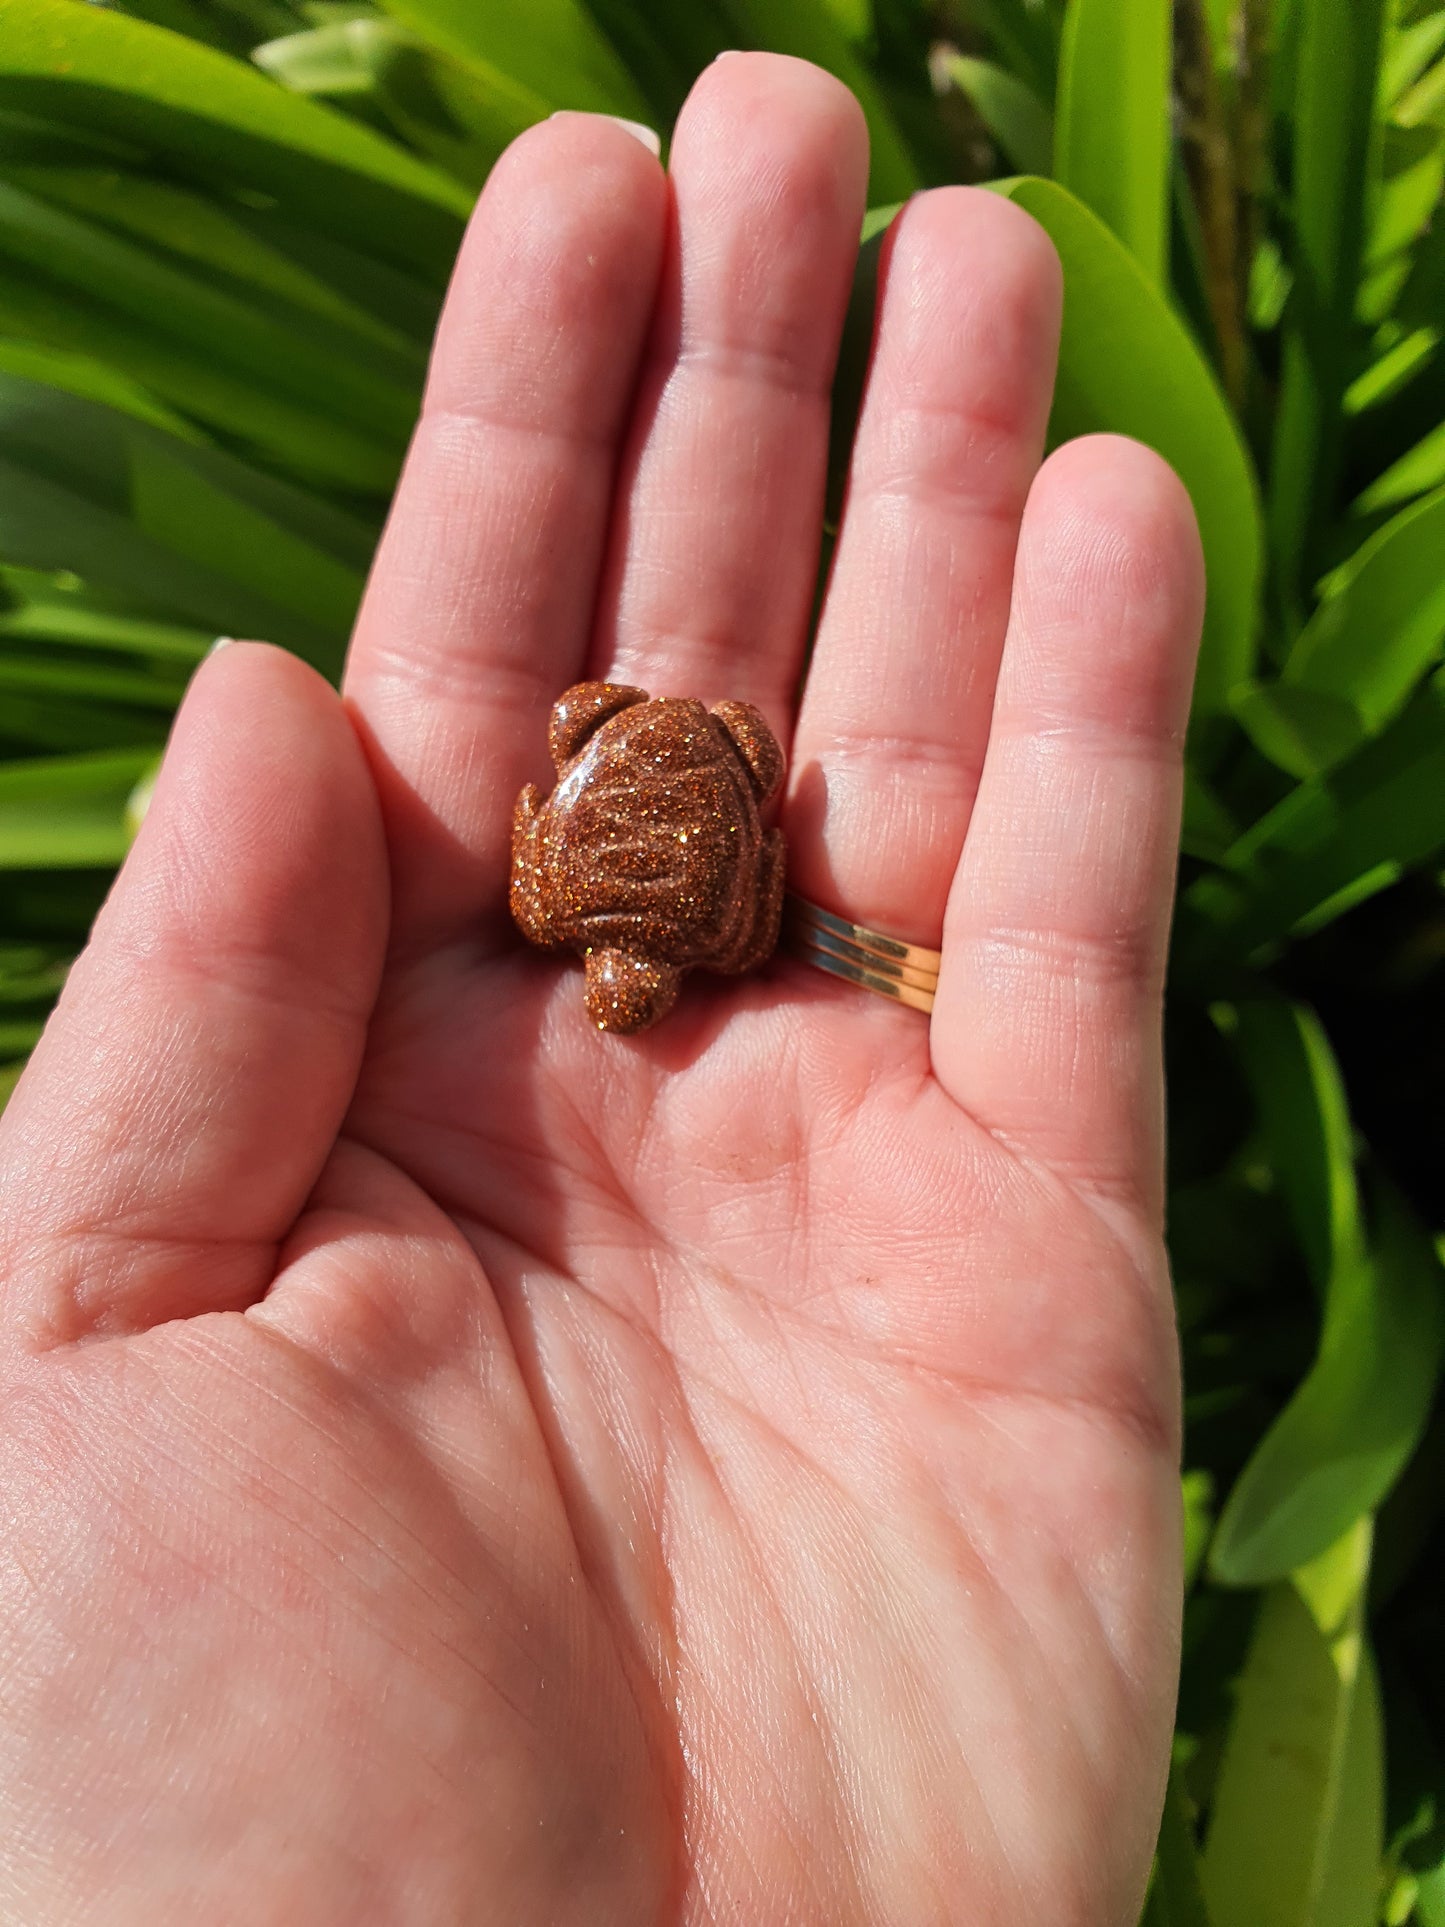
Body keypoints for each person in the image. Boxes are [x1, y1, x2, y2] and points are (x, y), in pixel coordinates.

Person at [0, 51, 1204, 1926]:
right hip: (673, 801)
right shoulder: (645, 896)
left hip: (650, 804)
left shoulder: (598, 908)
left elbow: (612, 745)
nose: (617, 1010)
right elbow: (661, 733)